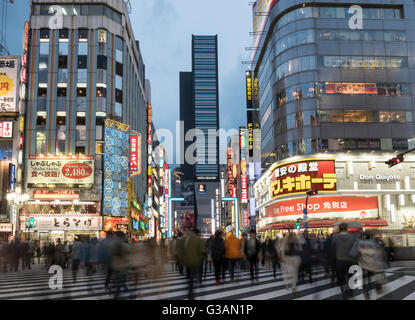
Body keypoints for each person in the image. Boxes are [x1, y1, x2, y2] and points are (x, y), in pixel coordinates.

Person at [349, 230, 387, 299]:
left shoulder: (358, 243)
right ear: (370, 236)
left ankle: (366, 293)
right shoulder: (375, 243)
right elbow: (380, 254)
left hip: (363, 264)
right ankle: (377, 282)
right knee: (374, 275)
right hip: (375, 264)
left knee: (364, 280)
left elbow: (352, 254)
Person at [177, 229, 205, 300]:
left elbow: (180, 251)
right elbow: (202, 251)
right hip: (196, 262)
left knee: (190, 279)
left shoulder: (184, 240)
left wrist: (182, 261)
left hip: (187, 262)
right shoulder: (198, 240)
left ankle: (190, 294)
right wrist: (202, 257)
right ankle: (191, 294)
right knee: (193, 279)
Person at [332, 223, 357, 299]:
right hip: (350, 261)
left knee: (341, 278)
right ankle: (351, 291)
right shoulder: (352, 237)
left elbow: (333, 249)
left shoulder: (336, 237)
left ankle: (344, 291)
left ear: (339, 229)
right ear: (347, 228)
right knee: (351, 276)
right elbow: (356, 248)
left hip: (340, 261)